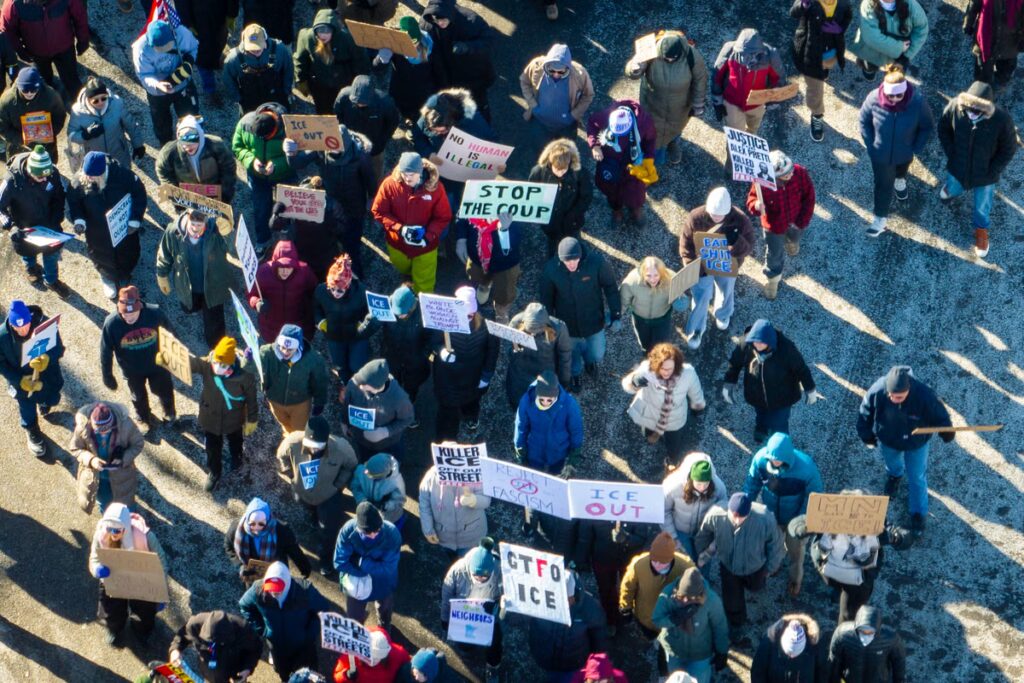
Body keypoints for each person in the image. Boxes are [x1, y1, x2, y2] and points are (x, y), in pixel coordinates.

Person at [856, 365, 952, 533]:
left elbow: (940, 415)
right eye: (891, 396)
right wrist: (866, 433)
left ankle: (918, 514)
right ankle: (894, 476)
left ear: (908, 390)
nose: (894, 399)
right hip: (889, 440)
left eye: (899, 397)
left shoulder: (924, 395)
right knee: (892, 464)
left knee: (917, 477)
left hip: (917, 444)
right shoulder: (878, 390)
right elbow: (865, 412)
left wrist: (946, 431)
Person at [789, 494, 913, 623]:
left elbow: (905, 537)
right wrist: (805, 527)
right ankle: (839, 590)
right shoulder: (830, 518)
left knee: (849, 614)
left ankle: (844, 629)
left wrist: (896, 537)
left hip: (859, 579)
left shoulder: (875, 523)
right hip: (831, 569)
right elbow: (796, 525)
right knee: (837, 584)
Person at [937, 80, 1017, 258]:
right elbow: (943, 128)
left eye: (977, 110)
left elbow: (1009, 148)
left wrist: (993, 170)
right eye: (969, 108)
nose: (972, 113)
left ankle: (981, 231)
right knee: (953, 185)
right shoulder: (954, 107)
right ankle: (950, 190)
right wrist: (952, 152)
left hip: (985, 175)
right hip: (958, 165)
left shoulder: (1002, 120)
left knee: (982, 206)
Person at [284, 126, 376, 278]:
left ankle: (356, 279)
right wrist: (291, 153)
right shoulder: (321, 148)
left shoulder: (360, 156)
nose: (332, 151)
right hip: (330, 206)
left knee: (351, 246)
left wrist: (372, 198)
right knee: (331, 240)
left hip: (354, 206)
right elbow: (298, 163)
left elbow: (370, 179)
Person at [168, 337, 258, 490]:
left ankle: (236, 456)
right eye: (215, 362)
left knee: (236, 440)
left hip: (233, 419)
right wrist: (171, 357)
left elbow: (251, 400)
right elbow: (192, 363)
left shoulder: (245, 377)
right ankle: (214, 472)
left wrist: (252, 419)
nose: (216, 367)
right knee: (212, 448)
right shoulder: (208, 365)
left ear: (230, 365)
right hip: (210, 418)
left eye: (221, 365)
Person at [695, 493, 785, 641]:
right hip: (729, 567)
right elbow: (703, 534)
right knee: (732, 600)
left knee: (756, 587)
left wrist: (770, 568)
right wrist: (702, 553)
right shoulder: (716, 514)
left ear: (749, 512)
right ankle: (737, 623)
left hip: (755, 567)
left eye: (741, 517)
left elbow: (776, 545)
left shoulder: (765, 519)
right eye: (733, 515)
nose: (737, 520)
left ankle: (754, 586)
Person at [744, 433, 824, 596]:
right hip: (772, 515)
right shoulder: (760, 460)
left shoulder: (807, 468)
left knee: (796, 553)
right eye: (771, 460)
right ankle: (776, 564)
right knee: (773, 544)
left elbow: (813, 497)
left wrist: (801, 521)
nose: (774, 463)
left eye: (778, 461)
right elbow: (752, 484)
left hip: (795, 521)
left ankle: (796, 579)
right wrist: (744, 506)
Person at [859, 64, 933, 237]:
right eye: (890, 95)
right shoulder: (873, 98)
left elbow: (927, 126)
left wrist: (916, 147)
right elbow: (863, 120)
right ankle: (879, 220)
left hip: (905, 153)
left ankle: (900, 180)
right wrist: (871, 144)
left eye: (898, 95)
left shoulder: (917, 102)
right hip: (881, 156)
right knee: (883, 185)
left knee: (901, 171)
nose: (894, 99)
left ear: (904, 91)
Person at [278, 416, 357, 578]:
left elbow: (351, 465)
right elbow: (281, 457)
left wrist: (338, 485)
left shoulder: (341, 448)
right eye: (310, 446)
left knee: (328, 530)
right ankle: (314, 516)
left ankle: (325, 559)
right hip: (303, 494)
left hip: (328, 496)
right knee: (308, 509)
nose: (314, 450)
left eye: (319, 446)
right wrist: (291, 475)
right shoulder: (292, 442)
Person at [540, 237, 621, 392]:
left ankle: (591, 362)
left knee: (597, 353)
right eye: (567, 261)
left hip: (594, 320)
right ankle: (575, 374)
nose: (571, 264)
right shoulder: (551, 269)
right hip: (567, 325)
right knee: (571, 356)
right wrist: (549, 325)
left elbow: (610, 287)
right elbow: (546, 299)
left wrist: (616, 314)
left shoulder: (596, 263)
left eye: (574, 259)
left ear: (580, 255)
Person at [678, 187, 755, 349]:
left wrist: (736, 243)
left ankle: (723, 314)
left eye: (720, 215)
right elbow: (685, 244)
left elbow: (749, 246)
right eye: (713, 213)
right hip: (701, 266)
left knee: (726, 289)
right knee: (700, 296)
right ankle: (697, 329)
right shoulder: (695, 217)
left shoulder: (741, 220)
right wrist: (690, 264)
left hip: (727, 264)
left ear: (728, 211)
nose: (716, 217)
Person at [67, 152, 148, 299]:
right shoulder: (78, 181)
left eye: (93, 177)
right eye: (87, 175)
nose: (88, 179)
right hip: (97, 230)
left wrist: (135, 219)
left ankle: (125, 274)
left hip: (123, 228)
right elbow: (74, 203)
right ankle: (107, 277)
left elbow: (139, 194)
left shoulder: (124, 176)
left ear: (103, 172)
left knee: (128, 250)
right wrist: (79, 220)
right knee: (100, 254)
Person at [723, 319, 820, 442]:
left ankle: (781, 444)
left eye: (761, 342)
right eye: (754, 341)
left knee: (780, 424)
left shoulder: (787, 349)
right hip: (756, 394)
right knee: (760, 415)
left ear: (769, 341)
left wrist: (810, 389)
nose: (757, 345)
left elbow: (801, 370)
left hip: (782, 398)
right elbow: (734, 364)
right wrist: (729, 383)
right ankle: (761, 429)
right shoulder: (746, 344)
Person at [412, 86, 497, 223]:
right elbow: (418, 136)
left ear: (453, 122)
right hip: (438, 173)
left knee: (454, 204)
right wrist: (429, 153)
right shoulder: (428, 117)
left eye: (442, 132)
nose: (437, 134)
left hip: (462, 177)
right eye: (434, 131)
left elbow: (492, 141)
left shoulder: (474, 122)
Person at [100, 286, 179, 432]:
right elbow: (105, 351)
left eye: (133, 314)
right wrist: (107, 375)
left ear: (140, 307)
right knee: (138, 396)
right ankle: (143, 417)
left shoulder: (155, 313)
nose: (129, 317)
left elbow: (172, 335)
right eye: (125, 314)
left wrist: (175, 357)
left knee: (164, 391)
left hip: (158, 365)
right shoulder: (111, 324)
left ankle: (169, 413)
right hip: (132, 370)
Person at [371, 152, 452, 293]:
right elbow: (378, 211)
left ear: (421, 171)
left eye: (412, 174)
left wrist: (427, 238)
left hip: (426, 247)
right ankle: (409, 276)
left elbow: (443, 217)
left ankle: (422, 304)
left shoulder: (436, 189)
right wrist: (400, 229)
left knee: (425, 282)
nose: (407, 178)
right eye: (404, 174)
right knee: (402, 267)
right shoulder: (389, 185)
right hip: (397, 243)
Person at [625, 30, 708, 166]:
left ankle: (673, 143)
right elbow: (633, 72)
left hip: (679, 108)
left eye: (673, 58)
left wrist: (698, 104)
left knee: (676, 129)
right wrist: (634, 68)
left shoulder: (692, 55)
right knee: (653, 135)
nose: (669, 60)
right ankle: (654, 161)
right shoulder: (650, 49)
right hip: (653, 105)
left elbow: (700, 80)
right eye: (666, 58)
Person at [619, 532, 695, 676]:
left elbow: (697, 588)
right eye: (654, 561)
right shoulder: (639, 564)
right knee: (650, 635)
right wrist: (625, 607)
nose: (658, 565)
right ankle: (654, 640)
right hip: (646, 617)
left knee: (666, 647)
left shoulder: (686, 566)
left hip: (671, 621)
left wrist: (690, 609)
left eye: (663, 562)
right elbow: (627, 586)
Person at [155, 208, 233, 348]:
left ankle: (216, 347)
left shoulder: (216, 231)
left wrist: (227, 231)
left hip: (212, 286)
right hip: (187, 285)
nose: (196, 229)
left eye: (199, 225)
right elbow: (165, 254)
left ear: (206, 222)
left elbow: (230, 249)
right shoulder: (173, 232)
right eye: (193, 225)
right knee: (189, 307)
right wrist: (162, 274)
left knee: (214, 321)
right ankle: (195, 306)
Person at [89, 504, 166, 645]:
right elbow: (94, 557)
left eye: (117, 529)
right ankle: (114, 629)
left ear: (125, 526)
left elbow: (161, 561)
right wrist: (96, 569)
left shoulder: (145, 536)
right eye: (109, 528)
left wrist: (161, 591)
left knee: (145, 612)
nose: (113, 533)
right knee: (110, 611)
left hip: (141, 580)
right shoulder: (101, 534)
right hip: (113, 579)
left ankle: (141, 630)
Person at [238, 561, 328, 681]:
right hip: (277, 646)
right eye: (271, 589)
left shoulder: (305, 591)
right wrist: (262, 629)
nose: (274, 594)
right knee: (283, 673)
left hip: (302, 647)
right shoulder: (258, 590)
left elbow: (323, 610)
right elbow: (244, 606)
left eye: (278, 590)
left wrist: (309, 634)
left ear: (287, 583)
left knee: (305, 677)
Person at [429, 286, 498, 441]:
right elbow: (433, 342)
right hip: (447, 378)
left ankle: (471, 417)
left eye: (470, 315)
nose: (467, 318)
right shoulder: (443, 322)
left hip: (473, 376)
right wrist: (441, 351)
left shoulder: (486, 326)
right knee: (447, 411)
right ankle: (446, 440)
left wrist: (486, 376)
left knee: (472, 402)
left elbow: (492, 352)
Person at [622, 343, 705, 468]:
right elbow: (627, 386)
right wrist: (634, 381)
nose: (666, 372)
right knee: (647, 433)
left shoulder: (688, 373)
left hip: (674, 419)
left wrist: (698, 405)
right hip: (650, 413)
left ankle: (672, 460)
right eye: (662, 368)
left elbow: (696, 391)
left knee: (673, 444)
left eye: (670, 368)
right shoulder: (646, 370)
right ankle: (653, 436)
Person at [0, 145, 70, 294]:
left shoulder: (51, 173)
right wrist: (10, 226)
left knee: (52, 256)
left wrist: (57, 217)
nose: (45, 179)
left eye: (47, 176)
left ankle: (51, 280)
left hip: (49, 226)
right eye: (40, 177)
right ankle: (31, 267)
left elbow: (59, 196)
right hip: (24, 228)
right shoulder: (11, 181)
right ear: (29, 171)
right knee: (28, 252)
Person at [746, 150, 816, 299]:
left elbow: (809, 197)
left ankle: (793, 242)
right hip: (774, 227)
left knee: (795, 237)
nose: (790, 174)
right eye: (785, 174)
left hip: (797, 221)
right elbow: (751, 201)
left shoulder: (800, 172)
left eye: (790, 170)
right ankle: (773, 280)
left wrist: (802, 221)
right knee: (774, 254)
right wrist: (757, 206)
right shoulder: (761, 182)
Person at [0, 301, 65, 456]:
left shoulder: (45, 326)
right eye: (18, 327)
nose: (23, 330)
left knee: (52, 399)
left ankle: (45, 402)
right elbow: (1, 364)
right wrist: (19, 381)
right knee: (26, 407)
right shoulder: (2, 337)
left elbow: (59, 349)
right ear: (11, 323)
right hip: (22, 380)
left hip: (47, 376)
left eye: (26, 324)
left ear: (30, 317)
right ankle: (31, 430)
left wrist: (47, 358)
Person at [233, 101, 296, 253]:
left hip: (284, 174)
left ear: (274, 130)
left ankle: (286, 227)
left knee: (287, 204)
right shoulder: (245, 123)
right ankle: (263, 240)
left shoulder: (291, 129)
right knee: (260, 208)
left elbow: (298, 156)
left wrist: (277, 165)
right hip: (258, 176)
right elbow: (237, 146)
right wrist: (251, 161)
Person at [419, 0, 497, 121]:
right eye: (436, 20)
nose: (440, 23)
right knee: (452, 110)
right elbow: (423, 52)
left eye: (443, 19)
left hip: (471, 78)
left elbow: (489, 41)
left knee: (479, 105)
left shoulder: (471, 20)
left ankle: (484, 123)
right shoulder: (427, 24)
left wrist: (467, 47)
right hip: (445, 79)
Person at [650, 567, 729, 683]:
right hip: (674, 650)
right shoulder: (668, 595)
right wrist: (674, 619)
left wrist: (722, 651)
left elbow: (720, 627)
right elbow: (657, 619)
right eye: (682, 596)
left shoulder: (712, 601)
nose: (685, 601)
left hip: (700, 654)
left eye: (690, 598)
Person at [526, 570, 608, 682]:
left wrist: (596, 664)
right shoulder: (539, 599)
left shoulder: (590, 608)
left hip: (573, 665)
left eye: (564, 598)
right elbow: (515, 620)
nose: (559, 603)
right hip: (545, 659)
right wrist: (506, 608)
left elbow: (599, 639)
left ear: (574, 594)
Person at [575, 520, 652, 638]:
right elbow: (585, 536)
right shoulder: (594, 511)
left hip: (628, 559)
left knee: (629, 588)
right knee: (606, 590)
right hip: (602, 558)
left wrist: (626, 538)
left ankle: (627, 613)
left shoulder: (635, 509)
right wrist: (582, 561)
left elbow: (642, 538)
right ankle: (611, 620)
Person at [790, 0, 853, 142]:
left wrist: (841, 28)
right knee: (815, 90)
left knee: (827, 66)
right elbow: (793, 12)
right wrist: (802, 5)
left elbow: (848, 15)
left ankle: (825, 71)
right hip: (811, 53)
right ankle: (817, 115)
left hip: (831, 51)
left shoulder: (843, 4)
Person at [439, 539, 502, 681]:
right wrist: (445, 621)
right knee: (464, 642)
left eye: (485, 576)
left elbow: (507, 596)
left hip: (488, 616)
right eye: (476, 575)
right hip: (464, 615)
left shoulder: (500, 570)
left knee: (495, 642)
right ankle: (467, 648)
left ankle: (493, 667)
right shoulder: (456, 572)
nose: (480, 579)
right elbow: (446, 600)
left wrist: (498, 606)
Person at [586, 100, 657, 225]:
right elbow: (592, 123)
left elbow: (650, 140)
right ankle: (616, 210)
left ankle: (636, 209)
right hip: (611, 164)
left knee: (637, 192)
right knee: (612, 191)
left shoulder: (644, 122)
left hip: (634, 165)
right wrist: (595, 146)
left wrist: (649, 158)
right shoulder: (606, 115)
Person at [333, 501, 402, 629]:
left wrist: (361, 563)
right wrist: (365, 573)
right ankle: (356, 635)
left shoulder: (392, 534)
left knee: (385, 611)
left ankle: (384, 629)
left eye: (377, 530)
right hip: (356, 585)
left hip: (382, 584)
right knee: (354, 619)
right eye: (367, 532)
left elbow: (389, 568)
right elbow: (339, 562)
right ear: (358, 528)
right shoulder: (347, 531)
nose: (373, 535)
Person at [131, 19, 200, 145]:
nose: (163, 49)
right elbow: (144, 74)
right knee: (161, 123)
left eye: (167, 45)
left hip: (183, 85)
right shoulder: (140, 49)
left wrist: (189, 61)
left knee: (190, 118)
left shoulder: (182, 33)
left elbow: (194, 47)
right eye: (159, 48)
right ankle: (167, 145)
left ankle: (191, 143)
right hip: (158, 93)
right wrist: (158, 84)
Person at [0, 0, 88, 97]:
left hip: (65, 50)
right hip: (37, 54)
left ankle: (80, 106)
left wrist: (83, 40)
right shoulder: (13, 4)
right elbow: (8, 31)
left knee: (72, 81)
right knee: (43, 84)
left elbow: (80, 17)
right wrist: (21, 51)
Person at [518, 43, 595, 152]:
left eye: (561, 72)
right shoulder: (536, 65)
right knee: (542, 154)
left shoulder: (580, 73)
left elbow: (588, 95)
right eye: (552, 71)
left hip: (566, 127)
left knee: (565, 156)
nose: (556, 75)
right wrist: (533, 105)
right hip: (540, 123)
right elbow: (524, 81)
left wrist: (573, 116)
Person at [71, 401, 144, 514]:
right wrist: (91, 460)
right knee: (105, 504)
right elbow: (75, 448)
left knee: (126, 503)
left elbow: (138, 443)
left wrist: (124, 458)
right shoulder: (82, 427)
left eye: (107, 430)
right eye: (99, 431)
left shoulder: (126, 425)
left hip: (121, 475)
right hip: (98, 478)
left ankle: (129, 516)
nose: (103, 434)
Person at [313, 254, 377, 383]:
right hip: (334, 336)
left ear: (347, 286)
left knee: (357, 366)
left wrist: (365, 325)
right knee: (339, 365)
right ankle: (346, 384)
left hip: (356, 336)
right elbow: (315, 308)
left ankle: (358, 384)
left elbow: (372, 314)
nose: (335, 293)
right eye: (332, 289)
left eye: (340, 291)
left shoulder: (361, 292)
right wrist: (320, 322)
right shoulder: (321, 291)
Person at [257, 323, 329, 436]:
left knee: (299, 432)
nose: (285, 352)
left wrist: (320, 402)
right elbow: (250, 368)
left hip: (300, 404)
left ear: (298, 347)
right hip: (275, 401)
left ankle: (296, 447)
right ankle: (288, 435)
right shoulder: (266, 353)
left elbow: (320, 382)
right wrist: (248, 358)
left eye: (290, 349)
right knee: (284, 425)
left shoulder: (313, 360)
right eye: (283, 347)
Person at [293, 9, 369, 114]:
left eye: (327, 31)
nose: (323, 35)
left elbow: (361, 62)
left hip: (344, 84)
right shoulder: (306, 37)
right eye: (320, 31)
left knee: (344, 109)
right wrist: (300, 80)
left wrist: (360, 85)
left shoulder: (348, 39)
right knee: (323, 110)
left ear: (334, 30)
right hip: (319, 84)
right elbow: (300, 60)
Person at [710, 29, 784, 136]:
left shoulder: (770, 55)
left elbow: (779, 79)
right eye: (741, 53)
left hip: (757, 103)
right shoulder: (729, 50)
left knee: (753, 131)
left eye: (750, 54)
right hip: (732, 102)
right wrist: (717, 102)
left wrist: (774, 99)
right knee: (735, 138)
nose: (745, 58)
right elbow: (716, 76)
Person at [528, 138, 592, 258]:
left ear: (569, 163)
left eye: (564, 169)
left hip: (572, 221)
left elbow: (586, 197)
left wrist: (574, 214)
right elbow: (532, 193)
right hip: (550, 221)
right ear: (550, 163)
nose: (560, 173)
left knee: (573, 241)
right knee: (552, 242)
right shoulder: (538, 172)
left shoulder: (580, 173)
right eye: (557, 169)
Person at [341, 358, 415, 462]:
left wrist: (386, 432)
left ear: (377, 386)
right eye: (360, 381)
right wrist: (344, 422)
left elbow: (407, 419)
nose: (360, 386)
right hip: (362, 441)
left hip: (388, 445)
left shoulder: (399, 398)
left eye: (364, 384)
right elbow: (347, 404)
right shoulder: (353, 384)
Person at [226, 497, 312, 585]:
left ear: (267, 520)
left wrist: (304, 567)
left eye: (261, 524)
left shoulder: (281, 530)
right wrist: (240, 565)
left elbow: (293, 550)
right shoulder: (236, 529)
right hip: (251, 576)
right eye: (252, 524)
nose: (256, 529)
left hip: (276, 573)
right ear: (247, 519)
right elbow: (228, 546)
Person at [456, 212, 524, 323]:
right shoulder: (473, 195)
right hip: (476, 257)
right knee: (475, 276)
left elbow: (516, 239)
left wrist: (504, 230)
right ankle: (484, 286)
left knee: (505, 290)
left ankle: (501, 311)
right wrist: (461, 239)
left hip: (505, 262)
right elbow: (463, 212)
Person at [514, 370, 583, 478]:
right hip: (534, 450)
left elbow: (576, 430)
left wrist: (574, 456)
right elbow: (520, 427)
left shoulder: (569, 404)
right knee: (535, 477)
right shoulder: (526, 401)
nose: (545, 402)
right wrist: (520, 450)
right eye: (542, 399)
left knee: (555, 475)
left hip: (558, 451)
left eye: (549, 400)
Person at [155, 115, 238, 206]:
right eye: (183, 139)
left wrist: (225, 193)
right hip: (188, 197)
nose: (188, 145)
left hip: (215, 192)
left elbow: (229, 168)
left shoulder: (216, 145)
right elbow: (162, 170)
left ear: (200, 135)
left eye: (192, 138)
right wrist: (175, 192)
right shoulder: (169, 152)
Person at [377, 16, 445, 123]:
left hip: (422, 92)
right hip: (401, 88)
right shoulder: (395, 45)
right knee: (403, 108)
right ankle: (407, 118)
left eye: (414, 43)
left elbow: (439, 72)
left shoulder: (431, 48)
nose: (411, 47)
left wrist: (441, 92)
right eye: (407, 43)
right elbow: (377, 67)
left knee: (419, 112)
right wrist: (381, 60)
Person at [67, 78, 145, 172]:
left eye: (103, 98)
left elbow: (130, 124)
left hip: (118, 153)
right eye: (96, 101)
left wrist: (138, 145)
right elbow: (71, 134)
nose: (100, 102)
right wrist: (86, 135)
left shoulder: (117, 104)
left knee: (123, 177)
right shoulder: (77, 111)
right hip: (94, 157)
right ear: (88, 99)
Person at [662, 453, 729, 561]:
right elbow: (664, 511)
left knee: (703, 563)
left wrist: (712, 547)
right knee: (685, 563)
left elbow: (724, 515)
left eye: (706, 484)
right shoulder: (672, 486)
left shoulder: (719, 487)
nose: (702, 488)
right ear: (690, 478)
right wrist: (673, 538)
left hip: (705, 534)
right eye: (698, 484)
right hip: (680, 532)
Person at [249, 240, 318, 343]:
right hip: (271, 328)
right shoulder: (263, 272)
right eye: (281, 267)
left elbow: (315, 293)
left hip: (298, 326)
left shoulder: (305, 272)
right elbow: (251, 293)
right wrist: (257, 303)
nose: (285, 271)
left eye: (289, 267)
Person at [505, 302, 571, 409]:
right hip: (520, 373)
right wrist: (515, 349)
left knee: (543, 405)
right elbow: (509, 349)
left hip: (545, 375)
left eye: (537, 331)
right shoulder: (516, 322)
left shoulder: (558, 328)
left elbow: (565, 355)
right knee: (518, 401)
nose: (533, 335)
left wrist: (564, 380)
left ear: (546, 325)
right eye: (530, 331)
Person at [333, 75, 400, 181]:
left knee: (375, 171)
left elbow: (393, 122)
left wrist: (381, 141)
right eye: (356, 102)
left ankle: (374, 188)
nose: (359, 104)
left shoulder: (385, 102)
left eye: (363, 102)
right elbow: (337, 116)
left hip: (375, 146)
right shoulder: (343, 96)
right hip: (350, 142)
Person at [168, 610, 264, 683]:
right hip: (208, 669)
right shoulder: (194, 624)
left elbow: (255, 650)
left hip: (232, 671)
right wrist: (175, 651)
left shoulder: (244, 630)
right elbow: (181, 637)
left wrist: (247, 669)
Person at [420, 464, 491, 559]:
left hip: (471, 537)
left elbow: (486, 500)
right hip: (444, 537)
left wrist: (474, 500)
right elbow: (424, 504)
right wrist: (428, 528)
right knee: (451, 558)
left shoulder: (474, 474)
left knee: (470, 562)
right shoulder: (431, 477)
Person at [223, 23, 294, 114]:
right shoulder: (233, 59)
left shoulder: (280, 49)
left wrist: (286, 91)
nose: (256, 51)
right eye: (252, 48)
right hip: (250, 100)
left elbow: (288, 70)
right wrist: (238, 99)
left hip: (277, 96)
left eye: (259, 46)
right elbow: (228, 80)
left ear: (265, 40)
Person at [0, 66, 67, 162]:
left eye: (34, 90)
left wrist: (48, 134)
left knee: (47, 170)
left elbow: (59, 118)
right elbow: (2, 127)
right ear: (19, 86)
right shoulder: (6, 101)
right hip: (18, 147)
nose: (29, 93)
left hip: (46, 145)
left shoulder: (51, 96)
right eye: (25, 90)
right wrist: (21, 139)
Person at [380, 284, 432, 407]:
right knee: (392, 383)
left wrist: (426, 354)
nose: (400, 316)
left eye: (403, 313)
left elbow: (433, 337)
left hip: (415, 361)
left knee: (411, 387)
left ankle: (408, 404)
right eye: (397, 313)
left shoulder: (425, 312)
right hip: (393, 357)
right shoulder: (387, 307)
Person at [850, 0, 928, 79]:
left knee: (895, 78)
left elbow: (921, 29)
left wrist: (907, 55)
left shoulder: (911, 5)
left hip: (900, 56)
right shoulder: (868, 5)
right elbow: (871, 37)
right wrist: (899, 47)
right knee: (869, 66)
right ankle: (869, 71)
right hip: (873, 50)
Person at [620, 256, 683, 354]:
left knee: (661, 346)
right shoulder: (631, 282)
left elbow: (680, 295)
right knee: (644, 343)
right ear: (643, 273)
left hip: (662, 319)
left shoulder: (672, 279)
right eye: (648, 275)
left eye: (656, 275)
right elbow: (623, 301)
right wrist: (615, 315)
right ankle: (646, 354)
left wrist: (681, 300)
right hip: (640, 320)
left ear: (661, 273)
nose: (653, 279)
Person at [827, 605, 907, 683]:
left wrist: (900, 680)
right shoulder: (842, 634)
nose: (866, 635)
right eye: (862, 631)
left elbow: (899, 661)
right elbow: (834, 659)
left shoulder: (890, 638)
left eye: (870, 632)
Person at [177, 0, 237, 95]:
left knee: (218, 44)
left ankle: (217, 63)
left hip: (218, 16)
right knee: (202, 56)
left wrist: (232, 13)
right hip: (198, 20)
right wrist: (187, 22)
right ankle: (210, 89)